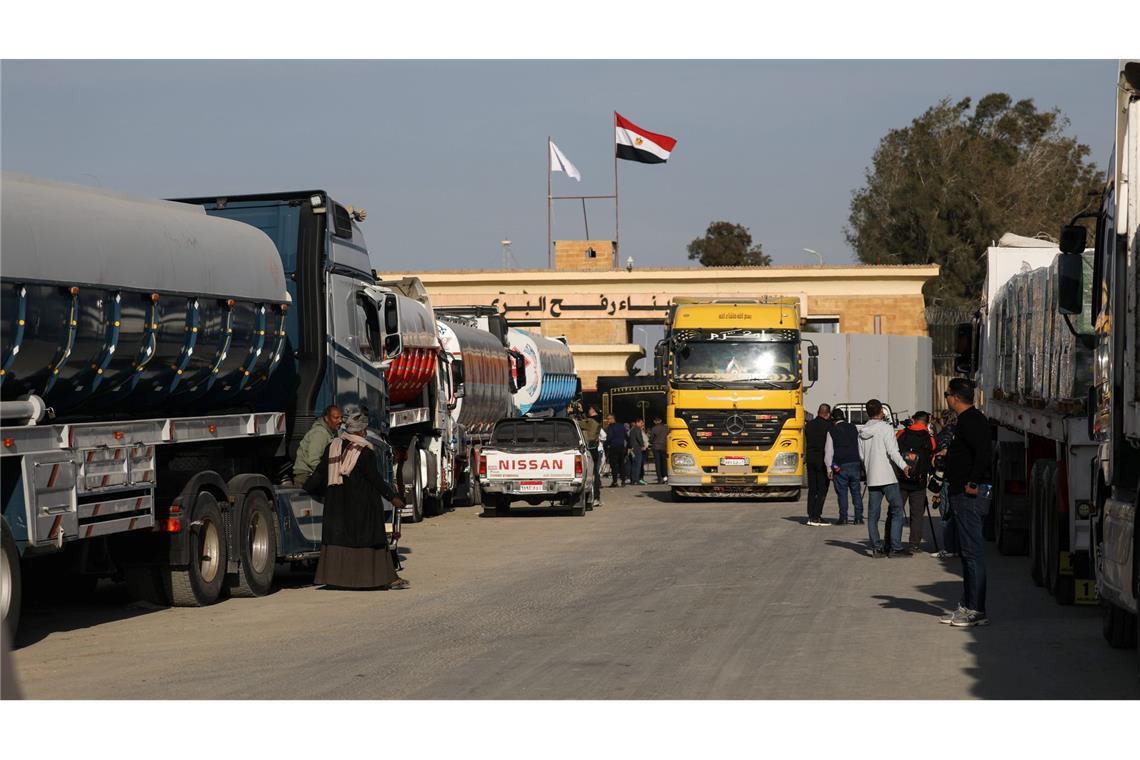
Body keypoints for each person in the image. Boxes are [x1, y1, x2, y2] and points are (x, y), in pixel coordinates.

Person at [303, 405, 409, 590]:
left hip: (337, 507)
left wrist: (306, 488)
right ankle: (379, 578)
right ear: (362, 430)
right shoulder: (364, 451)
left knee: (340, 539)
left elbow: (320, 473)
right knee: (369, 538)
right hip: (361, 507)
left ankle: (338, 579)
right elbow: (375, 479)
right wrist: (393, 498)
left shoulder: (333, 446)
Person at [940, 379, 993, 627]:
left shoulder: (972, 420)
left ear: (956, 397)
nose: (946, 398)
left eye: (947, 394)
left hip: (969, 494)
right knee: (967, 554)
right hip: (961, 493)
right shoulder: (967, 420)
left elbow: (983, 452)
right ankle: (967, 604)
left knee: (972, 553)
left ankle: (976, 609)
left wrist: (973, 481)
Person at [858, 398, 912, 557]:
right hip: (888, 477)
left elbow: (861, 456)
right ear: (881, 411)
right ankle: (895, 547)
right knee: (897, 510)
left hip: (872, 478)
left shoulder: (862, 431)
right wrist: (904, 466)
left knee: (873, 515)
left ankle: (876, 548)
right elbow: (893, 452)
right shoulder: (886, 428)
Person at [896, 411, 936, 552]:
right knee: (917, 514)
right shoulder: (928, 437)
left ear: (913, 420)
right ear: (927, 421)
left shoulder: (902, 433)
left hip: (901, 479)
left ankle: (892, 541)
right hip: (919, 482)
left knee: (895, 511)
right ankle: (914, 544)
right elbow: (933, 452)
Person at [824, 408, 863, 525]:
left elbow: (829, 451)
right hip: (855, 463)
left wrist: (828, 468)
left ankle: (844, 517)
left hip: (840, 465)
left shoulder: (831, 431)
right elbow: (860, 446)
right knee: (856, 492)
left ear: (833, 419)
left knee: (842, 492)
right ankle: (858, 518)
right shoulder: (853, 428)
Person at [930, 409, 960, 558]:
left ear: (944, 420)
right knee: (957, 514)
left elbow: (940, 458)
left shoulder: (944, 434)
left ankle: (949, 548)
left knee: (945, 514)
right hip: (960, 478)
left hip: (947, 478)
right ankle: (957, 547)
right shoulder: (962, 433)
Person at [293, 405, 342, 486]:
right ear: (326, 418)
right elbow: (313, 460)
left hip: (314, 475)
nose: (340, 420)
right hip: (307, 477)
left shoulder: (332, 432)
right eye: (336, 418)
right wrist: (330, 474)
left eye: (341, 417)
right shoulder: (320, 433)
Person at [804, 403, 833, 526]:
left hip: (810, 459)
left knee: (812, 488)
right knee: (822, 489)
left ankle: (810, 515)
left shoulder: (809, 425)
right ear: (827, 414)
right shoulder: (829, 426)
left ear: (818, 411)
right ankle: (817, 516)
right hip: (822, 460)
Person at [574, 403, 603, 507]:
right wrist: (581, 412)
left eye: (590, 409)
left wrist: (571, 413)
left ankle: (594, 497)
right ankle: (596, 497)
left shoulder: (591, 421)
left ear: (594, 410)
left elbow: (577, 423)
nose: (589, 410)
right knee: (595, 473)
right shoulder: (596, 420)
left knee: (591, 474)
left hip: (590, 450)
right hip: (594, 449)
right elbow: (586, 421)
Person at [604, 414, 630, 487]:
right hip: (621, 447)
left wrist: (605, 446)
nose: (608, 421)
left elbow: (609, 438)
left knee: (614, 465)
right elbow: (627, 437)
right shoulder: (621, 426)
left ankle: (615, 481)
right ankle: (623, 481)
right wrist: (628, 446)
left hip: (613, 447)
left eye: (609, 419)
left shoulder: (610, 428)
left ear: (613, 419)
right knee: (622, 464)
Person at [649, 416, 669, 484]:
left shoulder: (653, 429)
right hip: (664, 447)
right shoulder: (666, 428)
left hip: (656, 447)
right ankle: (665, 477)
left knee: (657, 463)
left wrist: (652, 441)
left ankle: (659, 478)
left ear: (655, 421)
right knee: (664, 462)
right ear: (661, 421)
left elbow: (651, 439)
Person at [629, 419, 649, 485]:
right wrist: (642, 445)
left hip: (633, 448)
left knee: (634, 465)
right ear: (637, 422)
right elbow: (639, 438)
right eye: (641, 423)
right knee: (638, 465)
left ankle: (633, 479)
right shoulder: (637, 429)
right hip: (637, 448)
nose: (642, 424)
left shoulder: (632, 429)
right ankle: (636, 479)